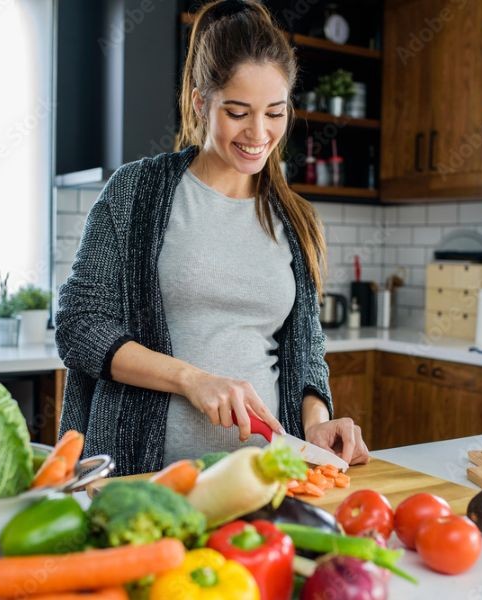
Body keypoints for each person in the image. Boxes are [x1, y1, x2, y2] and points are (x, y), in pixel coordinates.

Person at [55, 0, 369, 476]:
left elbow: (304, 350)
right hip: (143, 478)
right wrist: (191, 380)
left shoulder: (295, 216)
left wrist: (317, 422)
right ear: (202, 102)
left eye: (275, 113)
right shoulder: (137, 192)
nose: (259, 133)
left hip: (261, 482)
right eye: (238, 112)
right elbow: (79, 326)